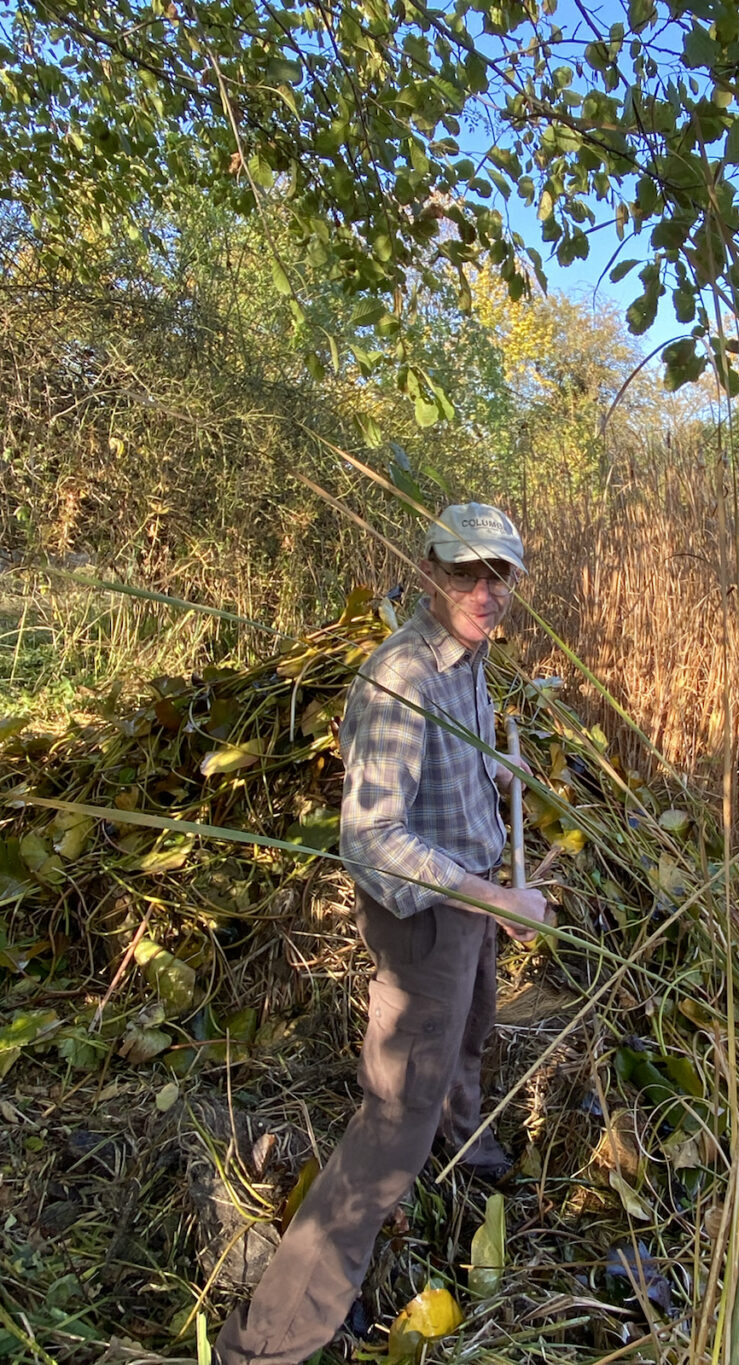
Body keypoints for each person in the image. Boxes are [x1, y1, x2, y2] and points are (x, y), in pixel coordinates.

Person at [214, 502, 549, 1365]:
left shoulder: (467, 658)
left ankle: (464, 1148)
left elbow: (447, 779)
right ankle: (275, 1335)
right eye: (469, 570)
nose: (487, 589)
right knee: (391, 1120)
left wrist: (496, 765)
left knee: (472, 1032)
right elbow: (372, 841)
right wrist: (492, 895)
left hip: (470, 908)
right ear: (434, 568)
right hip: (426, 921)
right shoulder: (401, 675)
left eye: (500, 573)